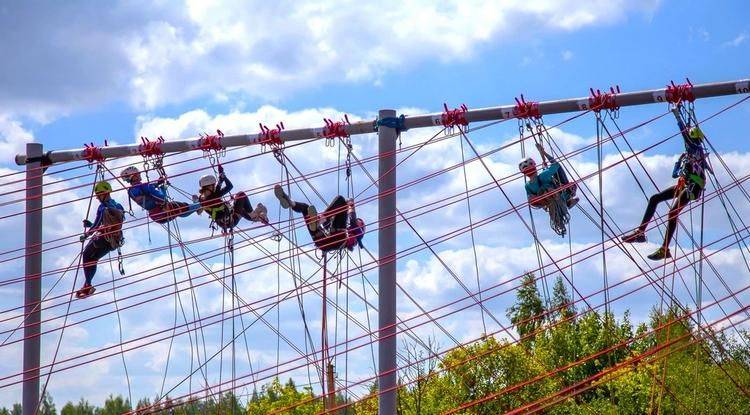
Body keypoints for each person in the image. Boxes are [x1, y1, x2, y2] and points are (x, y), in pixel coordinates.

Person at [621, 107, 710, 260]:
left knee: (672, 213)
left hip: (693, 187)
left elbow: (685, 134)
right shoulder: (688, 154)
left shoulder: (695, 148)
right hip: (685, 184)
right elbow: (675, 173)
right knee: (655, 198)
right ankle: (641, 232)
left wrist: (676, 114)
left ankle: (664, 249)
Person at [274, 184, 365, 253]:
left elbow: (353, 221)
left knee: (341, 200)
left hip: (338, 238)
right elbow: (327, 224)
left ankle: (319, 220)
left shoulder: (359, 233)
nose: (356, 221)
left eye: (359, 221)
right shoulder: (346, 229)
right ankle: (290, 202)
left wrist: (351, 205)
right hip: (321, 242)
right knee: (306, 208)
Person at [76, 181, 125, 298]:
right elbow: (117, 222)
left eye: (99, 194)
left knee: (87, 256)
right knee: (93, 259)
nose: (97, 197)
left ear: (106, 193)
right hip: (114, 242)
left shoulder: (103, 207)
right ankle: (87, 285)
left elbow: (98, 224)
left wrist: (87, 235)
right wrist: (91, 225)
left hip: (104, 238)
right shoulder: (119, 206)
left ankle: (87, 285)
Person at [197, 165, 268, 231]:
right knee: (241, 195)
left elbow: (216, 193)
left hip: (226, 220)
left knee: (241, 206)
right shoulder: (213, 197)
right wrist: (223, 177)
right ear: (209, 186)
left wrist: (221, 178)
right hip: (231, 219)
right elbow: (230, 186)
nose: (215, 187)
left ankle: (257, 217)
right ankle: (254, 216)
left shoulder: (201, 198)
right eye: (213, 185)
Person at [120, 166, 201, 223]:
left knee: (180, 211)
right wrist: (162, 188)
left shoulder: (130, 191)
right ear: (133, 177)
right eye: (137, 174)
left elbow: (145, 192)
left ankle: (197, 206)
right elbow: (162, 199)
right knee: (182, 206)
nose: (139, 175)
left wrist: (157, 184)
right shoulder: (146, 186)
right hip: (163, 211)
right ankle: (201, 204)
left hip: (155, 216)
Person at [520, 142, 579, 209]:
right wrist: (543, 153)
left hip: (547, 203)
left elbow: (531, 200)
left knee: (534, 197)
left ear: (523, 173)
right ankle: (568, 199)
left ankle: (554, 202)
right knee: (570, 183)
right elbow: (556, 165)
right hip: (559, 196)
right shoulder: (544, 175)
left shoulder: (528, 186)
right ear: (535, 166)